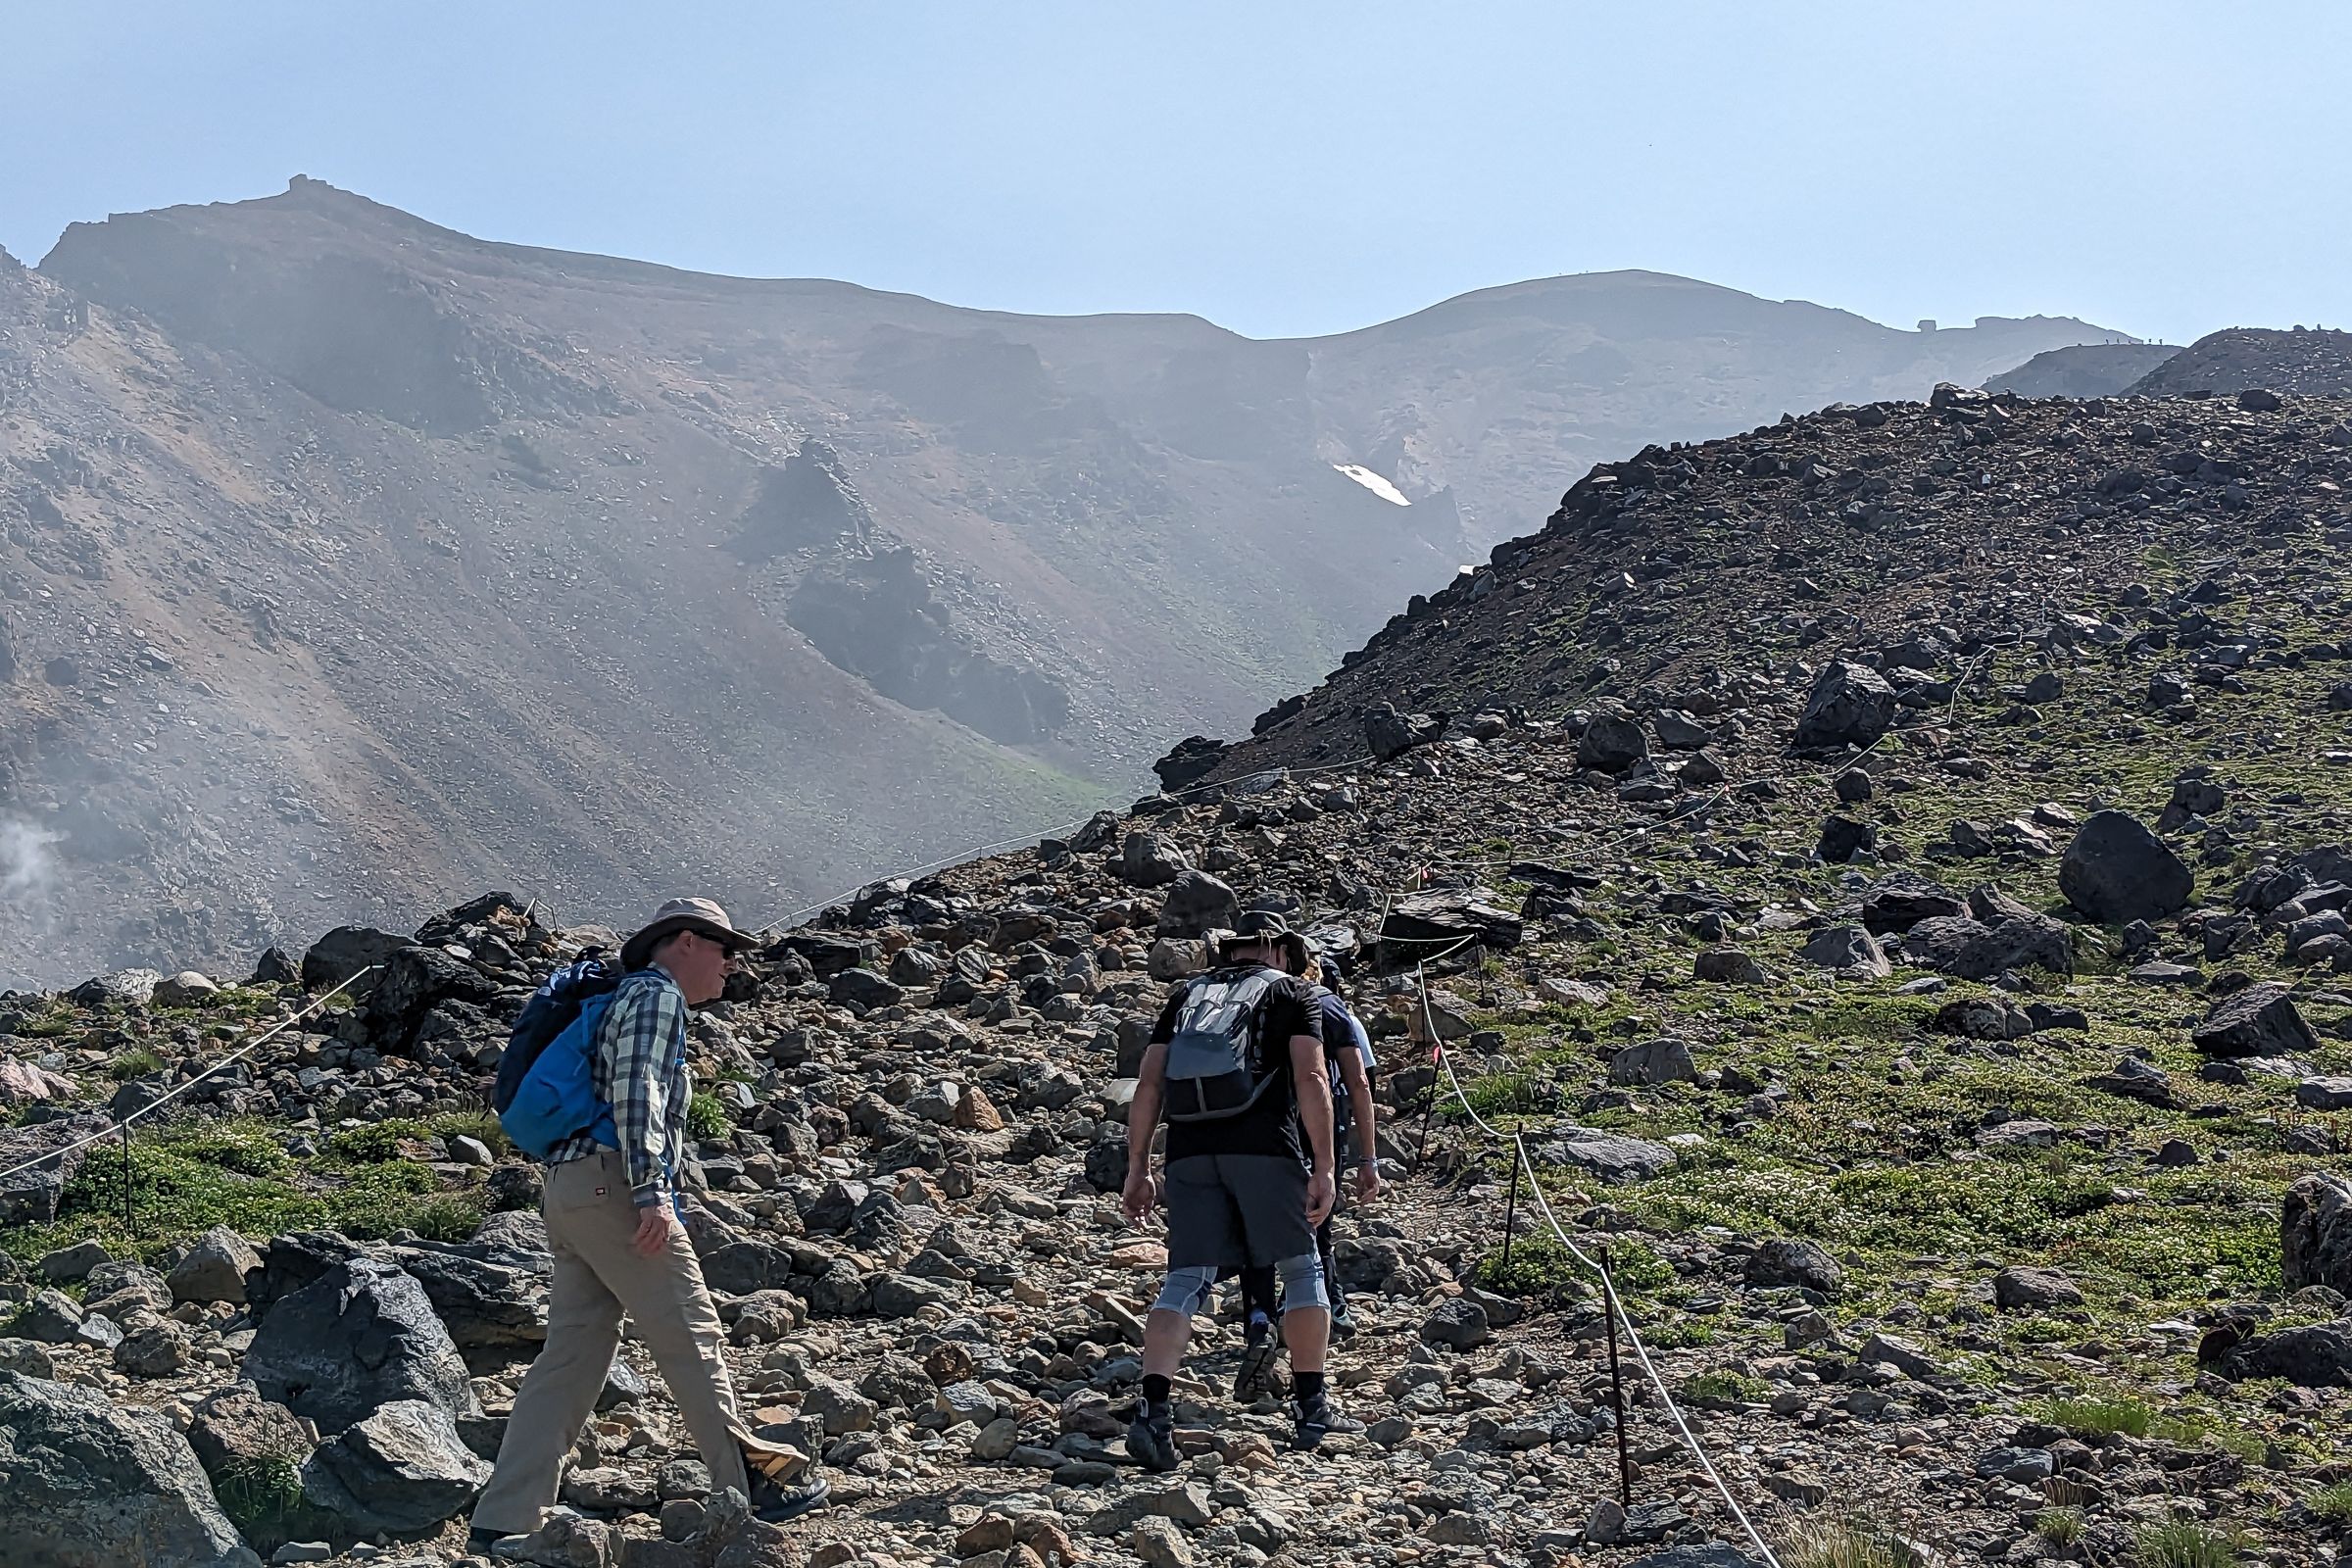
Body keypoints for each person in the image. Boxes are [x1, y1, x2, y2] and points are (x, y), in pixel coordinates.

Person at [471, 898, 825, 1548]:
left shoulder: (621, 998)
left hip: (569, 1190)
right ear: (684, 942)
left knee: (573, 1356)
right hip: (614, 1187)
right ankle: (750, 1488)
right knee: (688, 1327)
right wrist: (652, 1191)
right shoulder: (655, 997)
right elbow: (639, 1091)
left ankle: (506, 1514)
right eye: (724, 948)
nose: (731, 964)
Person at [1121, 910, 1364, 1464]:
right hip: (1264, 1149)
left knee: (1185, 1279)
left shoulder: (1188, 996)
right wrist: (1324, 1165)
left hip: (1188, 1151)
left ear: (1227, 949)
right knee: (1301, 1268)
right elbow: (1311, 1077)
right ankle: (1311, 1407)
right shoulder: (1292, 994)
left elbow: (1150, 1082)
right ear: (1277, 949)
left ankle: (1153, 1413)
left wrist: (1138, 1166)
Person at [1233, 954, 1381, 1398]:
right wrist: (1367, 1159)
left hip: (1259, 1122)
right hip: (1320, 1118)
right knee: (1318, 1215)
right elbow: (1359, 1083)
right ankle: (1328, 1305)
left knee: (1256, 1222)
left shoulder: (1254, 1003)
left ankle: (1259, 1316)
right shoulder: (1334, 1009)